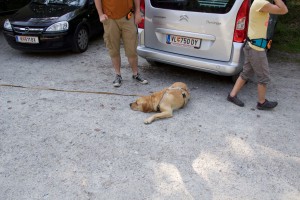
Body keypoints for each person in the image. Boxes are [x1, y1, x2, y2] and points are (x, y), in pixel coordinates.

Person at [227, 0, 288, 110]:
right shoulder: (261, 3)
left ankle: (232, 96)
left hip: (253, 46)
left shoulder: (261, 3)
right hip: (256, 49)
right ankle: (261, 102)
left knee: (246, 73)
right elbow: (284, 10)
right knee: (263, 77)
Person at [95, 0, 148, 87]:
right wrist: (100, 14)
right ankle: (118, 75)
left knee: (131, 49)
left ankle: (136, 74)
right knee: (113, 49)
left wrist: (138, 12)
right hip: (110, 19)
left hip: (128, 17)